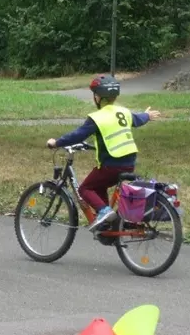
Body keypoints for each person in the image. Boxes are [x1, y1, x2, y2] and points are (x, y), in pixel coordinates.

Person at [46, 74, 160, 232]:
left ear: (98, 97)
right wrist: (147, 115)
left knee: (85, 189)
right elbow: (138, 119)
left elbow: (78, 135)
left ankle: (105, 212)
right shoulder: (124, 112)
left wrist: (56, 142)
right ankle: (108, 225)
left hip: (111, 165)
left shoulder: (97, 117)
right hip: (129, 164)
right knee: (99, 187)